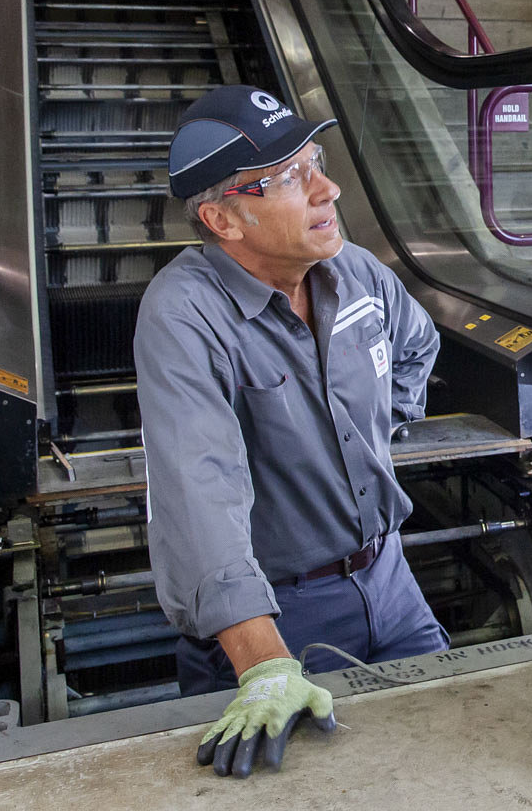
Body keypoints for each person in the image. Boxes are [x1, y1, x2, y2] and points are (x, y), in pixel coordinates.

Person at [134, 85, 447, 778]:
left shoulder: (355, 270)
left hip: (392, 584)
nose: (327, 188)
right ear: (223, 218)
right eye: (289, 177)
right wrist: (266, 663)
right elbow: (197, 490)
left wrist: (370, 433)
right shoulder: (184, 314)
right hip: (278, 614)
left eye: (318, 161)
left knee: (449, 751)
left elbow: (417, 344)